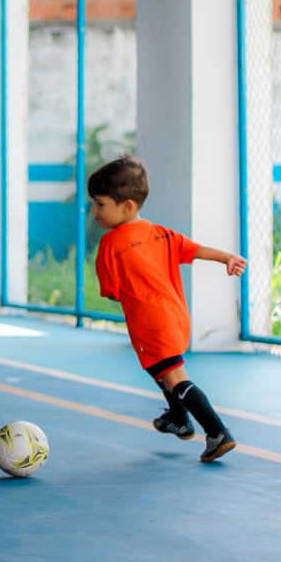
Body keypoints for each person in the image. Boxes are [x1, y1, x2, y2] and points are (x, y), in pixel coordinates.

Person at [89, 154, 245, 462]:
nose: (95, 211)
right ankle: (178, 418)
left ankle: (217, 431)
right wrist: (226, 257)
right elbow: (196, 250)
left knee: (175, 378)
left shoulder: (110, 244)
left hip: (150, 323)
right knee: (159, 370)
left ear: (127, 206)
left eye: (100, 204)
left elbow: (111, 293)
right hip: (177, 317)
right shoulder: (161, 233)